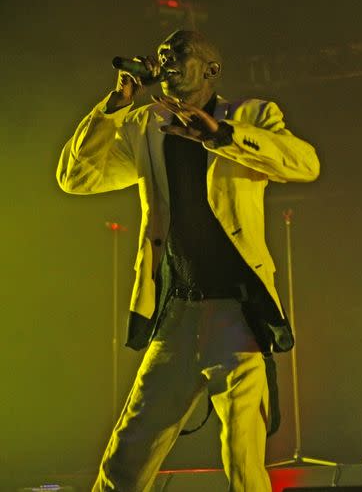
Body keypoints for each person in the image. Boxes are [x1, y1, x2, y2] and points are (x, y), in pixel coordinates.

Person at [56, 30, 320, 491]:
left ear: (210, 70)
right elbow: (78, 178)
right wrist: (114, 105)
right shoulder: (145, 125)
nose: (166, 62)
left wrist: (220, 135)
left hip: (237, 318)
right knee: (126, 455)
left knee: (244, 461)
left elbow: (305, 163)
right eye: (162, 55)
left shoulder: (251, 116)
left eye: (178, 54)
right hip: (177, 313)